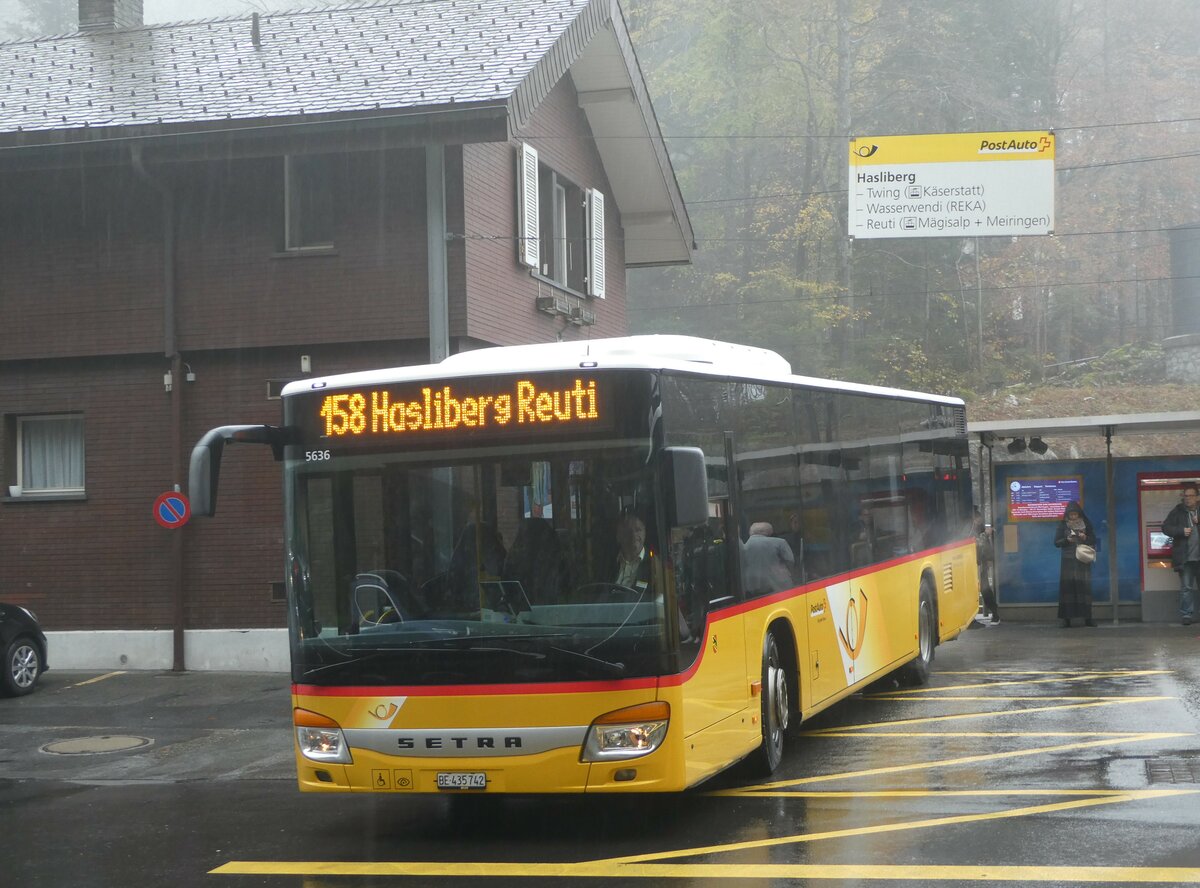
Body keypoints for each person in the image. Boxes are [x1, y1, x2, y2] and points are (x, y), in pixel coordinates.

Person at [1160, 485, 1200, 626]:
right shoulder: (1177, 511)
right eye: (1185, 496)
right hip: (1185, 558)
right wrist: (1180, 531)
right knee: (1186, 588)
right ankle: (1186, 615)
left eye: (1191, 496)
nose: (1188, 499)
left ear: (1197, 497)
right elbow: (1165, 527)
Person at [1053, 501, 1096, 628]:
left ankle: (1088, 619)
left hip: (1082, 559)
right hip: (1068, 560)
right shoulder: (1062, 525)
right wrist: (1067, 540)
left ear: (1079, 514)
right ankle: (1066, 620)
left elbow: (1093, 539)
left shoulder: (1086, 524)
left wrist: (1085, 538)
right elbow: (1056, 542)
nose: (1073, 517)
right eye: (1071, 515)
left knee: (1084, 589)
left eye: (1075, 514)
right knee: (1067, 589)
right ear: (1067, 515)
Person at [742, 521, 795, 594]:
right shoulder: (780, 542)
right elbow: (790, 561)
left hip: (751, 586)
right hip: (778, 586)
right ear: (769, 531)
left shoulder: (743, 546)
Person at [614, 509, 651, 591]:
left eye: (638, 530)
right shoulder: (608, 562)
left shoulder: (655, 564)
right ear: (619, 535)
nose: (633, 535)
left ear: (645, 532)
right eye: (628, 531)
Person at [974, 511, 1000, 624]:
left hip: (980, 566)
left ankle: (995, 613)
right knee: (984, 590)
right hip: (975, 565)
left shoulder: (978, 530)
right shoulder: (976, 531)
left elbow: (982, 546)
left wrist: (989, 559)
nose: (978, 521)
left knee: (985, 591)